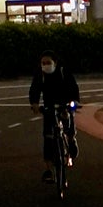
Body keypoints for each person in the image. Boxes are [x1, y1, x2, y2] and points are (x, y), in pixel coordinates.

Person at [29, 53, 80, 184]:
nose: (45, 65)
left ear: (55, 63)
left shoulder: (63, 72)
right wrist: (34, 103)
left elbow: (73, 87)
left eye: (48, 62)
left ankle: (71, 139)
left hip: (64, 102)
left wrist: (74, 101)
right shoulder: (40, 75)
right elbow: (34, 88)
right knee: (48, 136)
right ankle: (49, 170)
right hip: (49, 105)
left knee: (68, 119)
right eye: (43, 63)